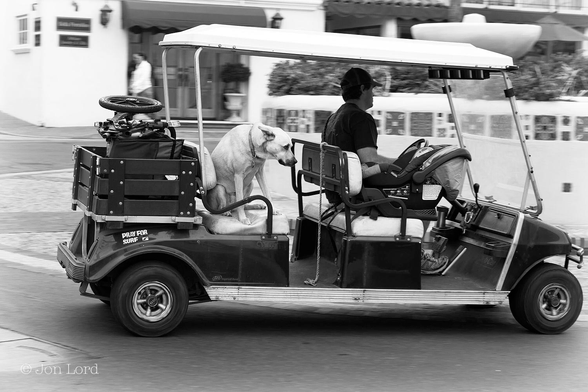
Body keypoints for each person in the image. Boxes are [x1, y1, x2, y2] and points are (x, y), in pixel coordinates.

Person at [322, 67, 447, 274]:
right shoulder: (361, 118)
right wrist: (404, 165)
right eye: (372, 89)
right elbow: (370, 160)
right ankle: (420, 258)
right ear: (362, 89)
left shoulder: (334, 118)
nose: (373, 95)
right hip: (359, 195)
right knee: (424, 202)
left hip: (337, 191)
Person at [129, 53, 157, 119]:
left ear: (142, 57)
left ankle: (154, 122)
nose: (135, 59)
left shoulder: (146, 65)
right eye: (134, 58)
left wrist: (134, 85)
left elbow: (143, 78)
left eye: (137, 58)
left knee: (148, 108)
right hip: (138, 90)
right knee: (140, 108)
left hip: (145, 89)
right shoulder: (137, 66)